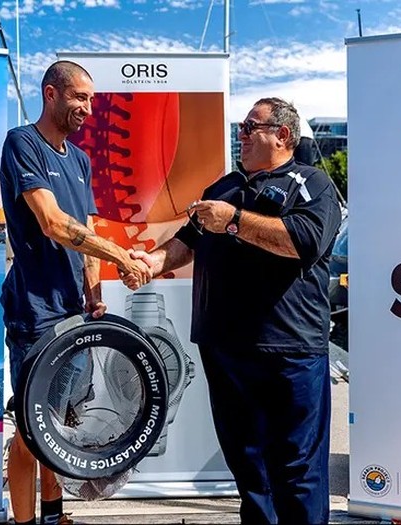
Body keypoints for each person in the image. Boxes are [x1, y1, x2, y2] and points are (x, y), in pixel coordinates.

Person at [129, 97, 342, 524]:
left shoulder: (311, 183)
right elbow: (188, 241)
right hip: (224, 349)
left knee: (297, 469)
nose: (241, 135)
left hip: (288, 350)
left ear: (282, 135)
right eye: (241, 128)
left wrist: (233, 220)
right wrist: (150, 263)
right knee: (248, 466)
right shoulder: (222, 187)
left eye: (250, 127)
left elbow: (303, 241)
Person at [0, 60, 151, 525]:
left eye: (91, 99)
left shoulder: (80, 159)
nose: (88, 107)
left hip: (72, 312)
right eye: (79, 97)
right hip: (35, 311)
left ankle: (54, 516)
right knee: (31, 430)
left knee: (59, 424)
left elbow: (86, 228)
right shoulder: (23, 143)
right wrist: (122, 255)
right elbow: (53, 223)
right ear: (51, 94)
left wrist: (94, 294)